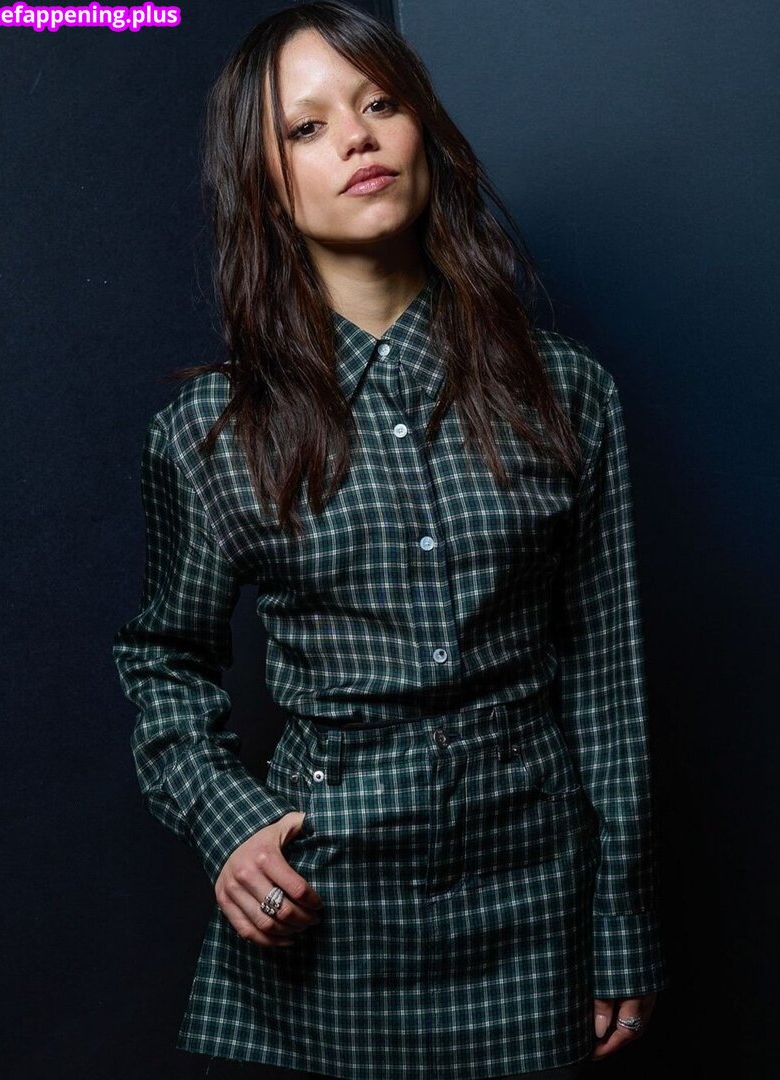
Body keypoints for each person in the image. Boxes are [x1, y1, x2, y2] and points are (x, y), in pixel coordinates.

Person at [112, 2, 670, 1077]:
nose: (357, 139)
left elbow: (607, 682)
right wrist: (226, 818)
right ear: (264, 181)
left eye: (380, 103)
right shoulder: (210, 431)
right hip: (325, 905)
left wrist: (624, 920)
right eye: (307, 126)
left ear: (425, 131)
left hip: (534, 897)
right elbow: (163, 657)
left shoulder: (568, 393)